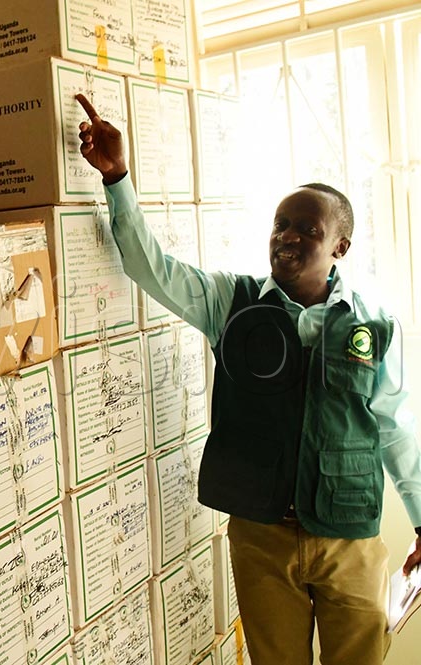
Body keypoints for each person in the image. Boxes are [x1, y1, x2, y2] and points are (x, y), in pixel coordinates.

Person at [74, 92, 421, 664]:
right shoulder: (228, 302)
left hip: (350, 537)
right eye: (280, 224)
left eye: (306, 229)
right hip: (261, 536)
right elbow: (150, 267)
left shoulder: (377, 328)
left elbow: (395, 430)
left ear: (340, 247)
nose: (287, 236)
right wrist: (118, 177)